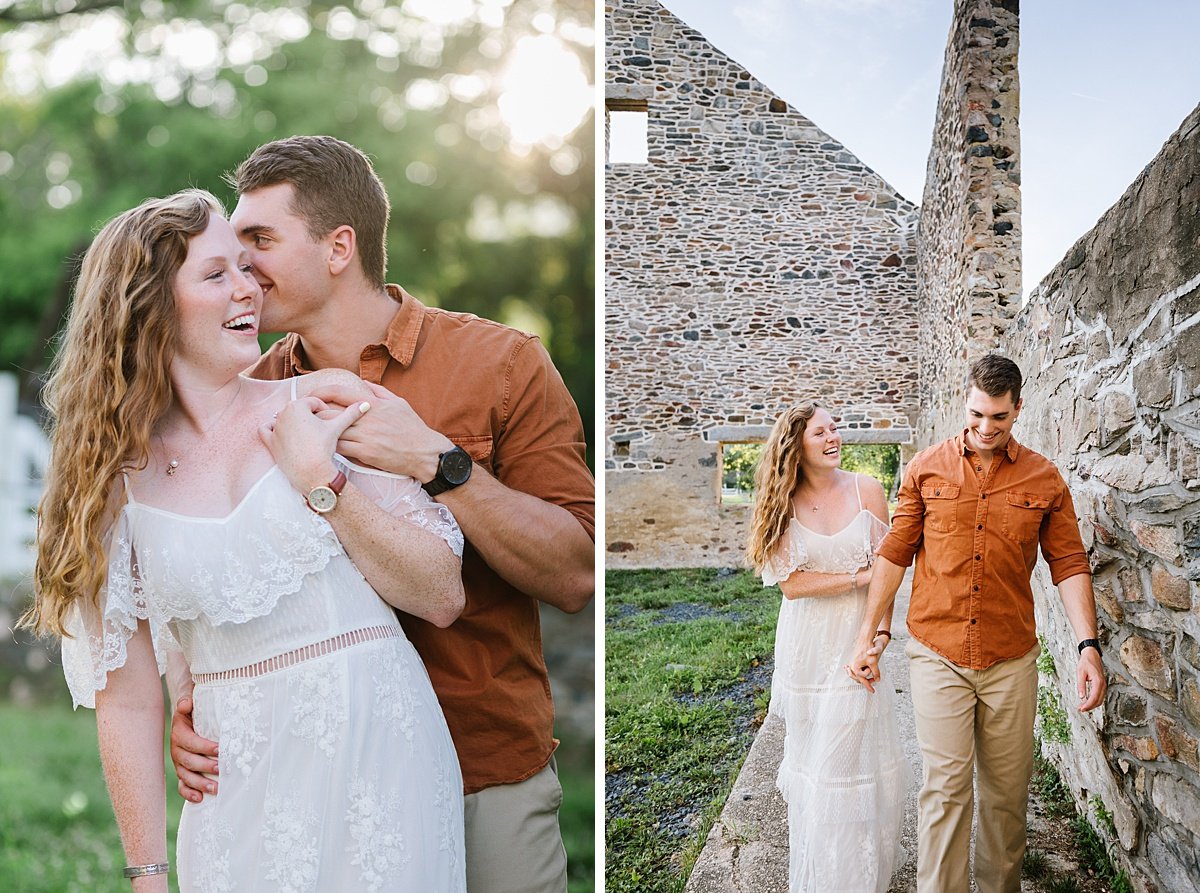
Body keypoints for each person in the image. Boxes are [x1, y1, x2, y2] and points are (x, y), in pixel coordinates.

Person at [168, 136, 596, 893]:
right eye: (232, 250)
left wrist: (441, 463)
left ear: (340, 248)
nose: (242, 269)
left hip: (481, 770)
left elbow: (575, 571)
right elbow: (200, 567)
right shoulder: (244, 399)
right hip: (316, 786)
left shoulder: (500, 363)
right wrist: (189, 697)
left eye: (260, 241)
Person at [27, 190, 468, 890]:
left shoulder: (329, 404)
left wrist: (322, 479)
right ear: (151, 308)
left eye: (246, 266)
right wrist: (147, 874)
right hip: (234, 781)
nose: (248, 288)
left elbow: (441, 592)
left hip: (379, 755)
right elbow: (129, 700)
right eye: (215, 274)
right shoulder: (112, 486)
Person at [848, 353, 1106, 893]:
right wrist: (870, 634)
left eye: (999, 418)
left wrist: (1088, 646)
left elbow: (1069, 562)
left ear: (1017, 410)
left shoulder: (1044, 478)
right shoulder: (925, 468)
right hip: (937, 650)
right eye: (976, 414)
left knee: (1008, 795)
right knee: (945, 790)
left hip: (1010, 658)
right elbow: (895, 553)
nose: (985, 428)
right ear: (965, 403)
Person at [746, 402, 909, 893]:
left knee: (847, 764)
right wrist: (858, 576)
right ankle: (820, 875)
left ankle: (855, 878)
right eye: (821, 432)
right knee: (814, 765)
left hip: (857, 642)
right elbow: (791, 585)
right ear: (797, 445)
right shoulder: (781, 501)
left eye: (835, 429)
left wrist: (880, 636)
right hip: (806, 647)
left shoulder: (868, 490)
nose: (834, 437)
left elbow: (891, 568)